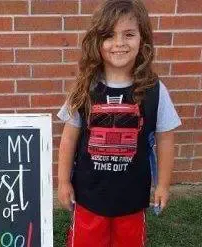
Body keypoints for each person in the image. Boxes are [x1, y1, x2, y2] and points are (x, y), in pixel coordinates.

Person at [56, 0, 182, 246]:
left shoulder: (154, 91)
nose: (119, 44)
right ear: (97, 42)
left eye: (129, 34)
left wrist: (163, 185)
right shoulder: (84, 89)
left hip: (132, 197)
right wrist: (63, 181)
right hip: (89, 195)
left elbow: (165, 137)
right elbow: (69, 137)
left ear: (142, 39)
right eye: (109, 35)